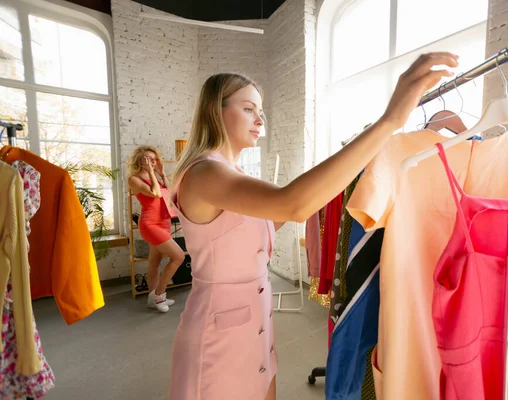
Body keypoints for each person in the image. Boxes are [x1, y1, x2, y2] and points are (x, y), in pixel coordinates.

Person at [168, 52, 459, 399]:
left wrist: (348, 166)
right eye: (248, 109)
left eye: (261, 110)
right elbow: (292, 205)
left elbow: (272, 217)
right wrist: (388, 122)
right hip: (218, 337)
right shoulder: (206, 173)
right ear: (216, 111)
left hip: (253, 328)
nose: (260, 118)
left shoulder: (233, 175)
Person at [127, 145, 185, 312]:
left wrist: (160, 173)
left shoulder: (156, 177)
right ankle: (160, 294)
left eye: (154, 159)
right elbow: (156, 194)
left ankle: (152, 299)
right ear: (140, 160)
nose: (152, 162)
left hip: (164, 222)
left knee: (155, 262)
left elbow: (168, 191)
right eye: (148, 159)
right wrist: (152, 174)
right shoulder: (134, 179)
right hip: (150, 224)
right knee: (178, 257)